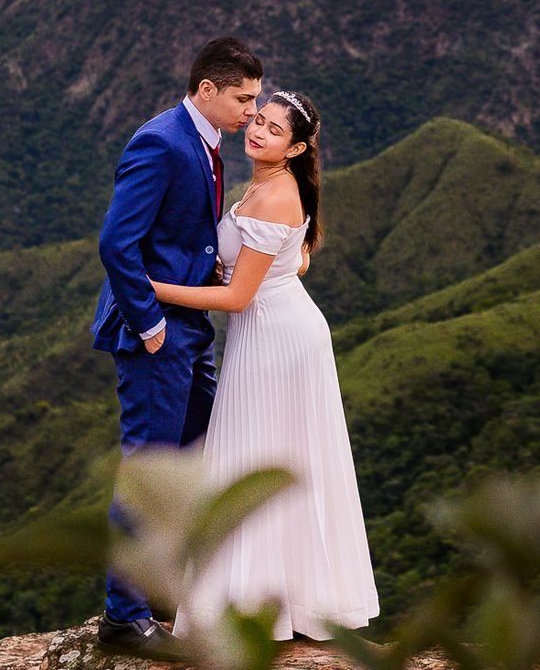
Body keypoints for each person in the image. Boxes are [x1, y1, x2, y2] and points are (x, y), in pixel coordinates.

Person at [155, 89, 380, 643]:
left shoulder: (278, 196)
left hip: (276, 340)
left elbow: (237, 300)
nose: (257, 130)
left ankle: (259, 604)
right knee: (263, 455)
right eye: (257, 119)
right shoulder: (272, 185)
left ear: (296, 147)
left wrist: (153, 289)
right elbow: (294, 259)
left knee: (257, 457)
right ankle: (265, 599)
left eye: (274, 130)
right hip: (273, 329)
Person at [91, 36, 263, 657]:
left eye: (257, 99)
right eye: (243, 98)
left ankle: (160, 590)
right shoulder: (161, 142)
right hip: (155, 333)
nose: (252, 110)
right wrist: (149, 323)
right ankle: (122, 618)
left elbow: (180, 236)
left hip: (192, 327)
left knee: (192, 460)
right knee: (151, 470)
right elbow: (117, 243)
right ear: (207, 90)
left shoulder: (208, 142)